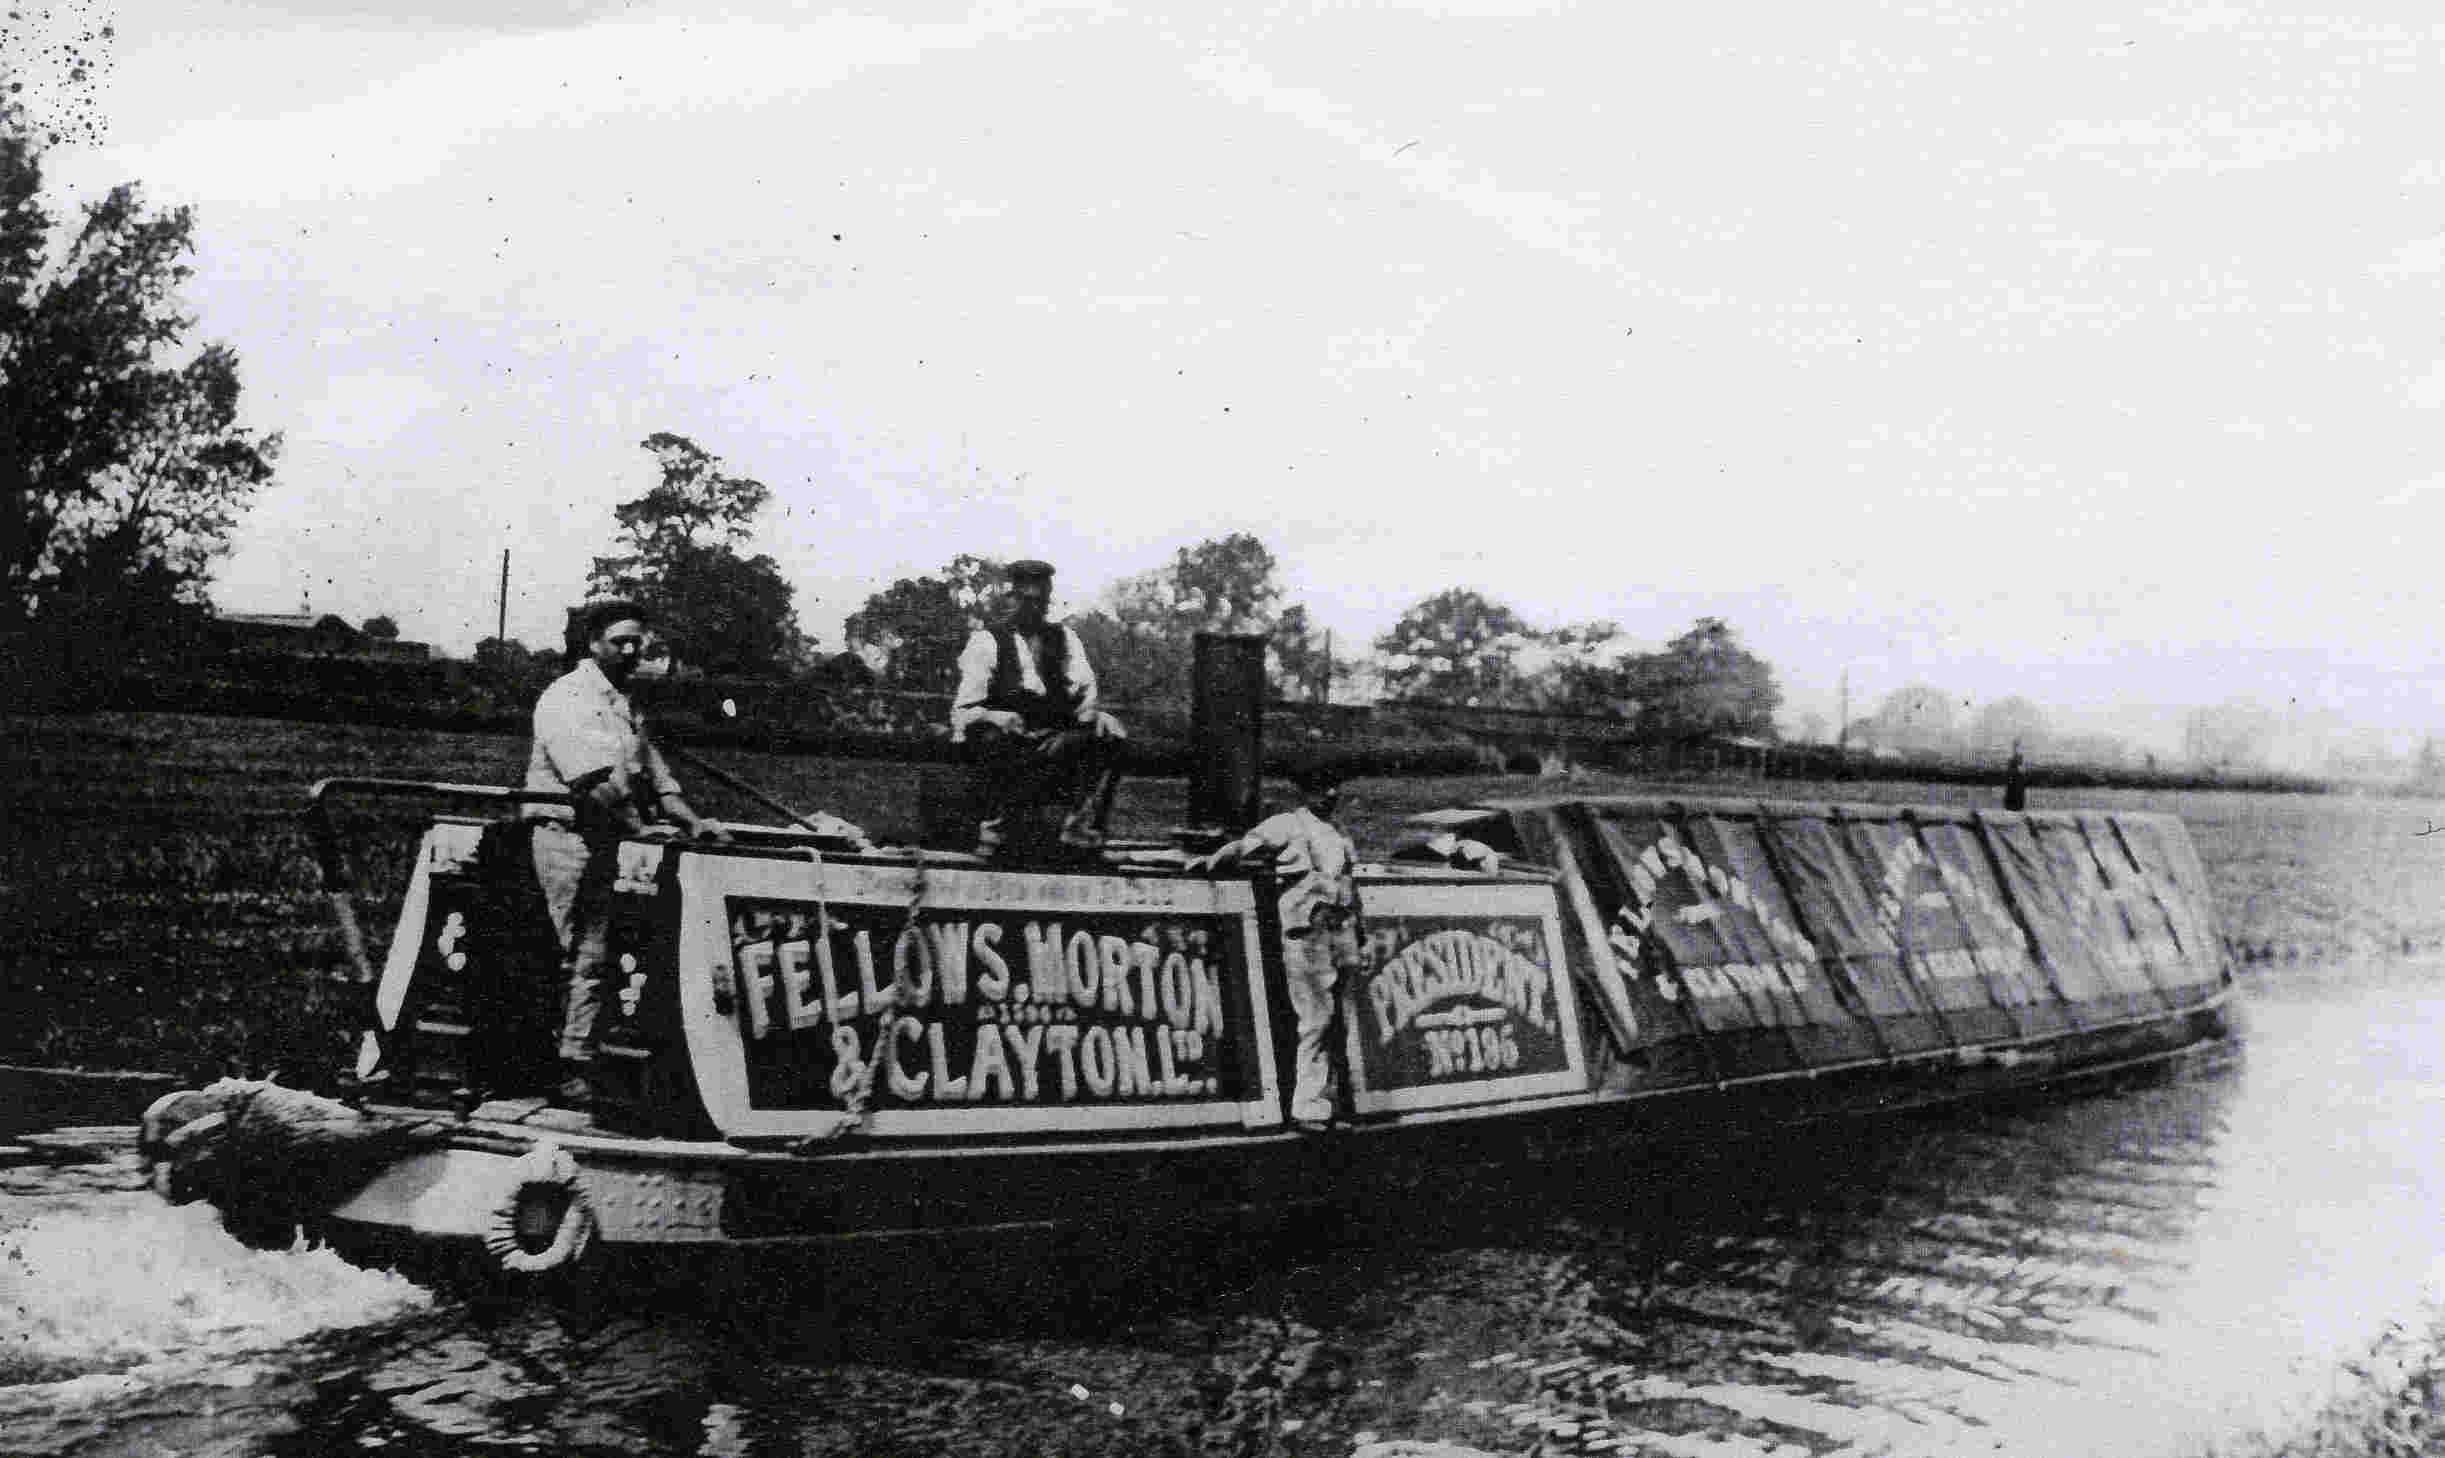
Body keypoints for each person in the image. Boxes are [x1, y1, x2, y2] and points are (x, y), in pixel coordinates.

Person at [526, 599, 728, 1116]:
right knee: (571, 951)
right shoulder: (565, 698)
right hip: (565, 839)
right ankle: (553, 1070)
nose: (633, 649)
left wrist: (691, 820)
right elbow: (594, 788)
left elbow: (657, 778)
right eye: (621, 641)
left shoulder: (626, 706)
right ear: (592, 643)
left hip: (606, 841)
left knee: (597, 954)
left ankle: (578, 1061)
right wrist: (645, 830)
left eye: (638, 640)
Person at [1187, 766, 1363, 1132]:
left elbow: (1348, 884)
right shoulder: (1287, 824)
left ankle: (1331, 1102)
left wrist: (1356, 935)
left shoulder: (1340, 836)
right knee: (1316, 1019)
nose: (1330, 794)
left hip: (1337, 933)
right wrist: (1209, 862)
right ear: (1305, 792)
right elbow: (1244, 848)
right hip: (1305, 933)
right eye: (1321, 787)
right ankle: (1307, 1107)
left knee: (1335, 1021)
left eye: (1334, 786)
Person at [948, 559, 1125, 857]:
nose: (1034, 607)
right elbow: (963, 711)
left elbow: (1084, 693)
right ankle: (998, 828)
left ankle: (1079, 828)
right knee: (995, 739)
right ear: (1013, 597)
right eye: (1027, 599)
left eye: (1041, 600)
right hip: (1006, 740)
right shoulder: (988, 641)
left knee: (1109, 735)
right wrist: (995, 715)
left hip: (1052, 737)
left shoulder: (1065, 639)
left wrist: (1095, 715)